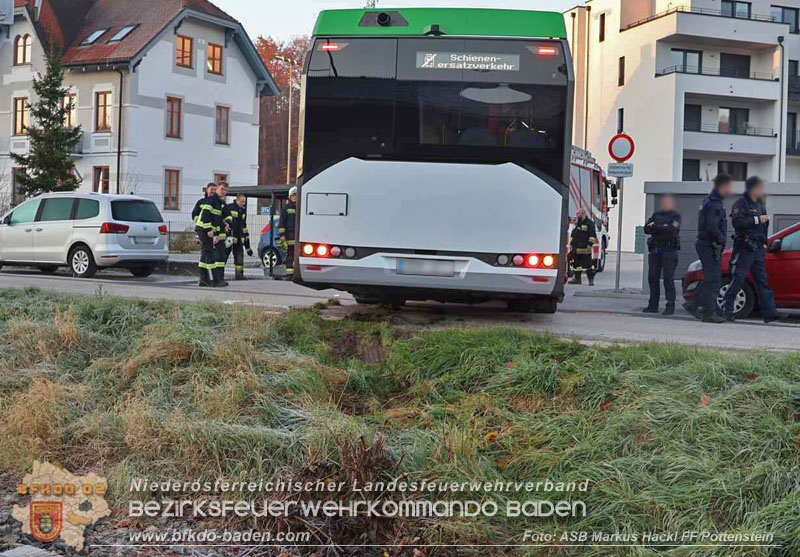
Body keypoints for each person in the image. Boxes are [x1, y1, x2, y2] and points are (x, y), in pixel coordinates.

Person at [723, 176, 780, 323]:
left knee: (762, 280)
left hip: (758, 248)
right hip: (745, 248)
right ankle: (727, 310)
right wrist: (756, 219)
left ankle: (770, 313)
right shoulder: (741, 203)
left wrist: (765, 243)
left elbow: (764, 226)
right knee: (738, 278)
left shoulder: (760, 204)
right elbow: (737, 223)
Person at [694, 173, 733, 323]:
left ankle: (700, 306)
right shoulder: (715, 204)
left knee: (709, 278)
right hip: (710, 245)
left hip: (706, 244)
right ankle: (709, 313)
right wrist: (721, 241)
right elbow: (712, 227)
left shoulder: (709, 200)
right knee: (713, 280)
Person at [643, 195, 682, 315]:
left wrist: (655, 227)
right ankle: (653, 305)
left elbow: (671, 230)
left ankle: (670, 305)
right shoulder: (656, 215)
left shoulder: (676, 216)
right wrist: (662, 227)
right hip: (656, 250)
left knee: (668, 279)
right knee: (652, 277)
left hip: (669, 251)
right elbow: (646, 229)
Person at [194, 182, 221, 287]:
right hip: (204, 230)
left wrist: (217, 233)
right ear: (207, 190)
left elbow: (217, 220)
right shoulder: (203, 202)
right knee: (209, 253)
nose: (213, 191)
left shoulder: (216, 202)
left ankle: (204, 280)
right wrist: (205, 227)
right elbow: (197, 215)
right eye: (211, 189)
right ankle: (215, 279)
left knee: (205, 254)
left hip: (208, 231)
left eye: (215, 189)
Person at [223, 194, 253, 281]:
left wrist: (248, 247)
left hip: (239, 238)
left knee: (239, 257)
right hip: (229, 238)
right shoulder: (229, 207)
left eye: (244, 202)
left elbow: (244, 226)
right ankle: (219, 275)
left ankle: (239, 275)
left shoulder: (242, 210)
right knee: (223, 256)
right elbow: (222, 220)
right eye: (241, 202)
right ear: (237, 200)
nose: (243, 203)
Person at [569, 208, 598, 286]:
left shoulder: (590, 223)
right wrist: (571, 244)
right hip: (576, 248)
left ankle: (591, 280)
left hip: (585, 248)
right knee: (576, 265)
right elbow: (574, 234)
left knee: (588, 265)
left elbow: (592, 235)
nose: (576, 215)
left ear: (583, 214)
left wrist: (589, 245)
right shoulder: (578, 223)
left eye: (578, 214)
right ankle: (577, 279)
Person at [209, 182, 229, 287]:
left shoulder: (221, 203)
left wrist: (226, 223)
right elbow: (210, 218)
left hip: (219, 234)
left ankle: (219, 279)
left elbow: (223, 217)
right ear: (217, 188)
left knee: (221, 257)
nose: (223, 192)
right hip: (212, 234)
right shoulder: (212, 201)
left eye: (225, 190)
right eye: (222, 189)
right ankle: (215, 280)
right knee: (216, 258)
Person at [277, 186, 298, 281]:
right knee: (290, 255)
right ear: (290, 196)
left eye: (296, 195)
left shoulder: (300, 207)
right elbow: (281, 222)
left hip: (298, 236)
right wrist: (282, 235)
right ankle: (290, 274)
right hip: (289, 236)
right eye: (293, 195)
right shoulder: (286, 208)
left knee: (297, 255)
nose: (295, 197)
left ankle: (296, 274)